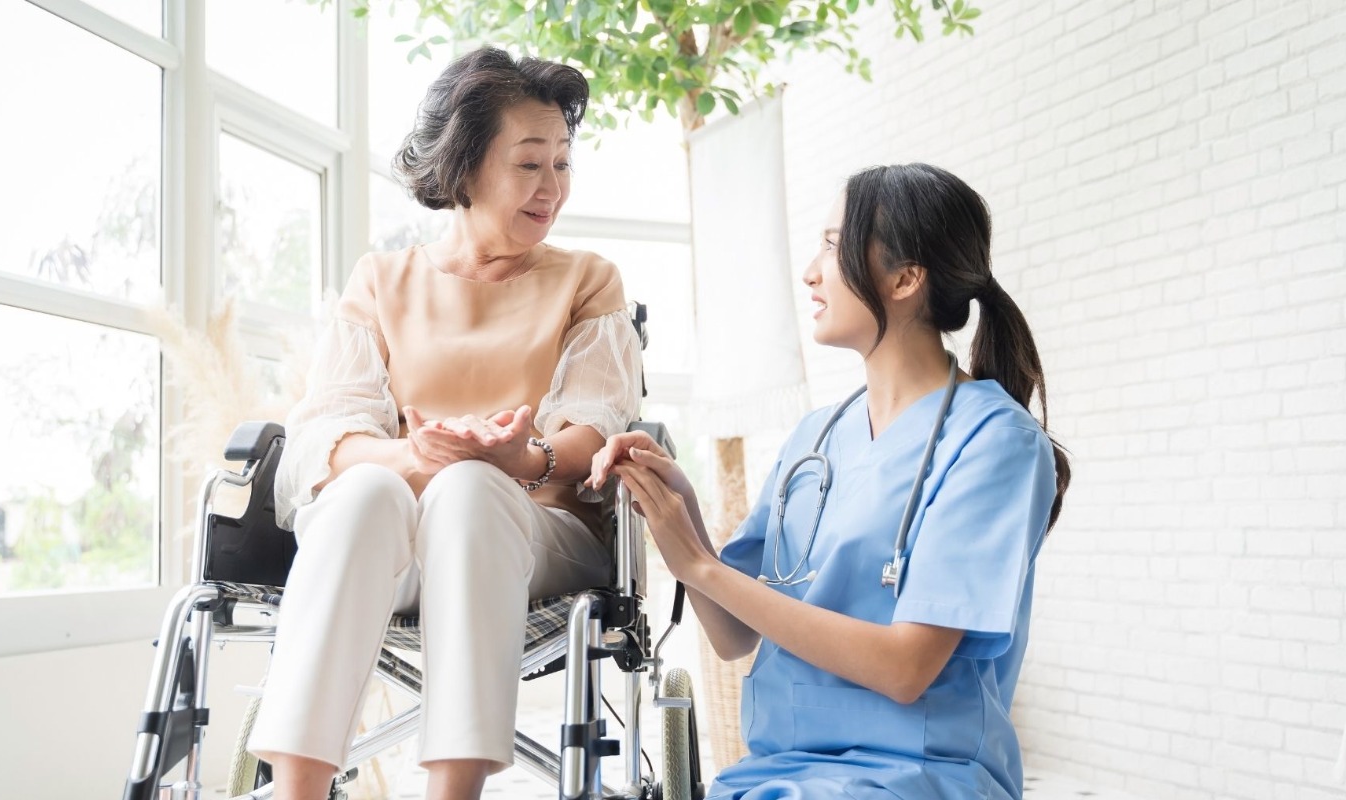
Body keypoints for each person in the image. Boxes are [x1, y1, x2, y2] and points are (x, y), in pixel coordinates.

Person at [590, 163, 1072, 799]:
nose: (811, 272)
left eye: (832, 245)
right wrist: (676, 505)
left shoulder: (995, 442)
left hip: (917, 775)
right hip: (779, 770)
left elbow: (906, 668)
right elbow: (734, 636)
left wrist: (701, 567)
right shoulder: (816, 438)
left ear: (905, 278)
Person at [247, 47, 643, 800]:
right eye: (530, 164)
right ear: (464, 168)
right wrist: (416, 457)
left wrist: (516, 460)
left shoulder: (587, 280)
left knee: (469, 490)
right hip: (401, 535)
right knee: (364, 492)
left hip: (540, 531)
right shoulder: (381, 281)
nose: (552, 187)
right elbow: (326, 437)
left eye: (562, 163)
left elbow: (592, 432)